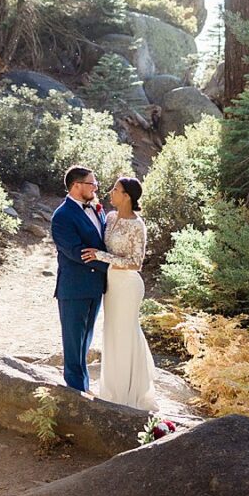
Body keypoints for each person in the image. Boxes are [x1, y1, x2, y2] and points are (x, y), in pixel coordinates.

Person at [83, 175, 156, 410]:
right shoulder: (111, 216)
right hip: (112, 284)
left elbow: (136, 262)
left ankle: (133, 393)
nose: (110, 191)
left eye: (116, 189)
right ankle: (112, 391)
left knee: (126, 333)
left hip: (128, 284)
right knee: (112, 334)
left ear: (127, 196)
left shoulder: (137, 225)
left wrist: (100, 256)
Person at [49, 164, 109, 392]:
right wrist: (112, 266)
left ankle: (82, 388)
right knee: (73, 344)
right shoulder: (62, 216)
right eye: (91, 183)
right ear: (76, 186)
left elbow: (101, 244)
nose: (96, 187)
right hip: (73, 288)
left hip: (95, 287)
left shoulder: (97, 209)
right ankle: (76, 393)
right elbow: (77, 252)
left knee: (86, 341)